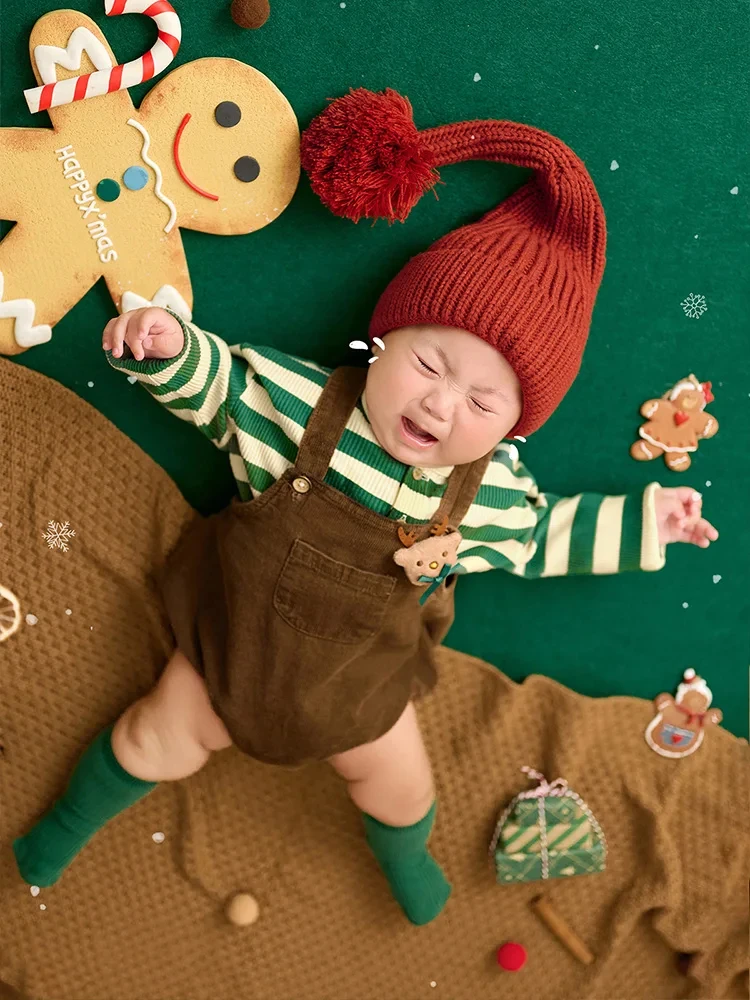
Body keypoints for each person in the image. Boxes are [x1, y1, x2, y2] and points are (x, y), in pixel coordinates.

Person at [13, 92, 718, 926]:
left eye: (483, 403)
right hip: (225, 655)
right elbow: (223, 390)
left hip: (360, 696)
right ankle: (56, 832)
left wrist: (646, 523)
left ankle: (405, 858)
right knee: (149, 739)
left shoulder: (485, 495)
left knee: (398, 781)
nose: (443, 404)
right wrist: (169, 349)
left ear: (512, 427)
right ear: (383, 339)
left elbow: (543, 535)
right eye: (428, 363)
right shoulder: (301, 405)